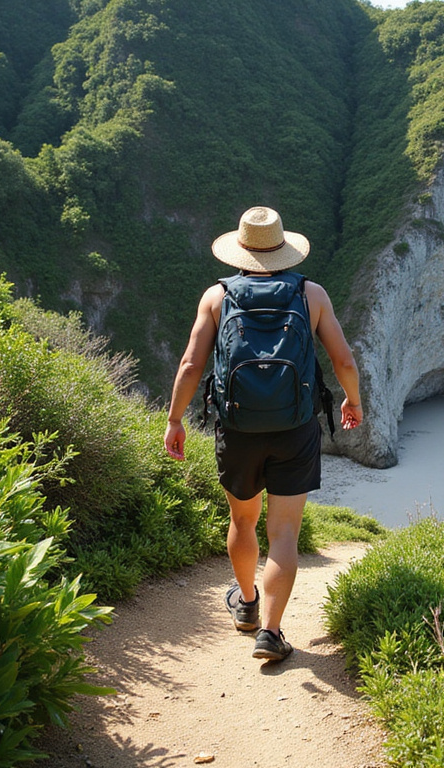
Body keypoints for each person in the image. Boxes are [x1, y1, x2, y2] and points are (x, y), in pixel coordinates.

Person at [163, 206, 362, 661]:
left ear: (241, 250)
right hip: (295, 428)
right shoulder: (311, 294)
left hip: (238, 430)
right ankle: (271, 634)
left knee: (242, 521)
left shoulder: (216, 297)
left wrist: (175, 420)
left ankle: (248, 605)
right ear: (283, 250)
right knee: (285, 532)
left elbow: (192, 364)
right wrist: (353, 401)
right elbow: (344, 361)